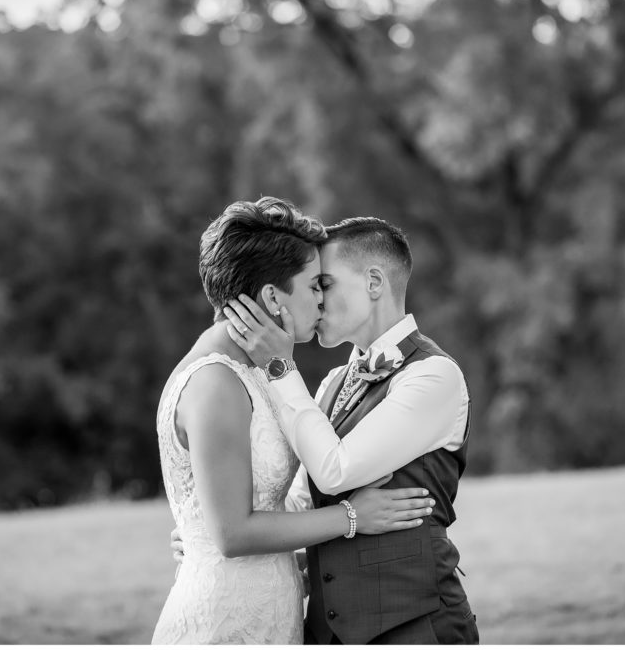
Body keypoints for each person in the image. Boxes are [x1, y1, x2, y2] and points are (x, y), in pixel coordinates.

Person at [151, 199, 435, 645]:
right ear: (271, 297)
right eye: (313, 286)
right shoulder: (215, 382)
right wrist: (352, 517)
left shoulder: (258, 371)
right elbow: (232, 533)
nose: (322, 299)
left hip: (271, 609)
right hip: (227, 621)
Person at [221, 216, 479, 644]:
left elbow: (336, 471)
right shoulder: (331, 384)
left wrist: (280, 366)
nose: (317, 300)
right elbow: (303, 502)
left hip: (415, 627)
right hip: (327, 631)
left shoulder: (434, 376)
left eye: (325, 283)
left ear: (374, 283)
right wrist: (220, 528)